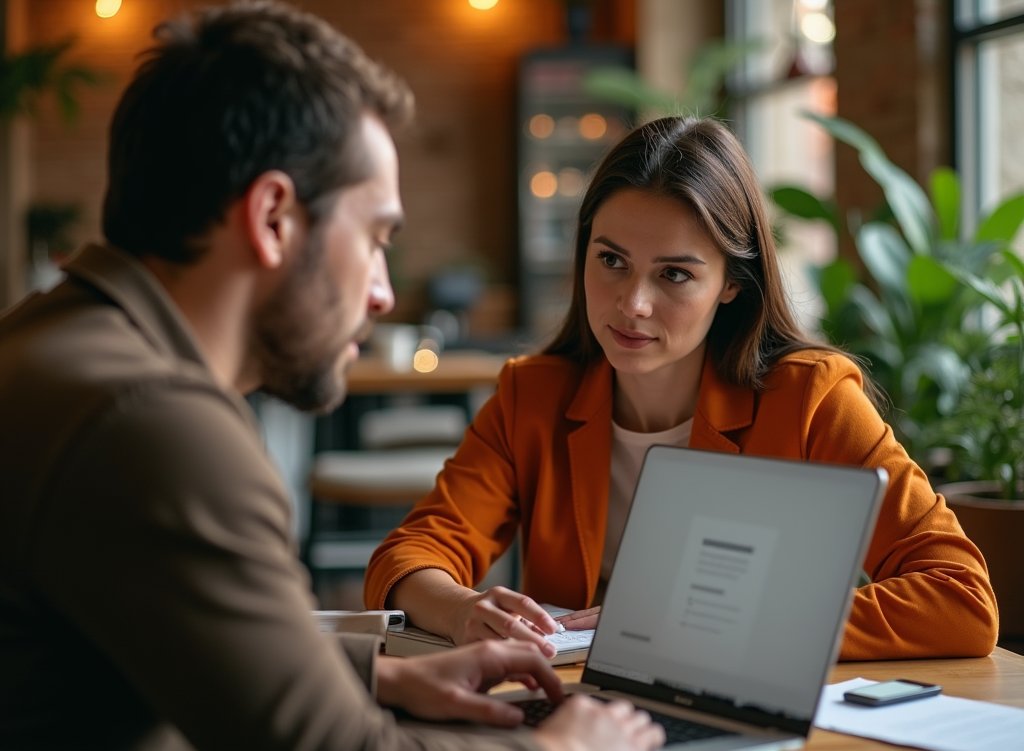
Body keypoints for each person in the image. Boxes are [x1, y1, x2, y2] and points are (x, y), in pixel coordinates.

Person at [0, 0, 665, 751]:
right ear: (273, 217)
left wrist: (383, 674)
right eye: (377, 236)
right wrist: (563, 748)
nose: (382, 291)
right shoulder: (150, 420)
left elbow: (166, 636)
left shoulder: (50, 345)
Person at [364, 116, 999, 662]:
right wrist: (463, 611)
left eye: (674, 274)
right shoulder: (531, 396)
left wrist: (713, 629)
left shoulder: (810, 400)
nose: (632, 304)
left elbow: (960, 598)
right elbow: (410, 557)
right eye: (611, 260)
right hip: (575, 717)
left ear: (731, 283)